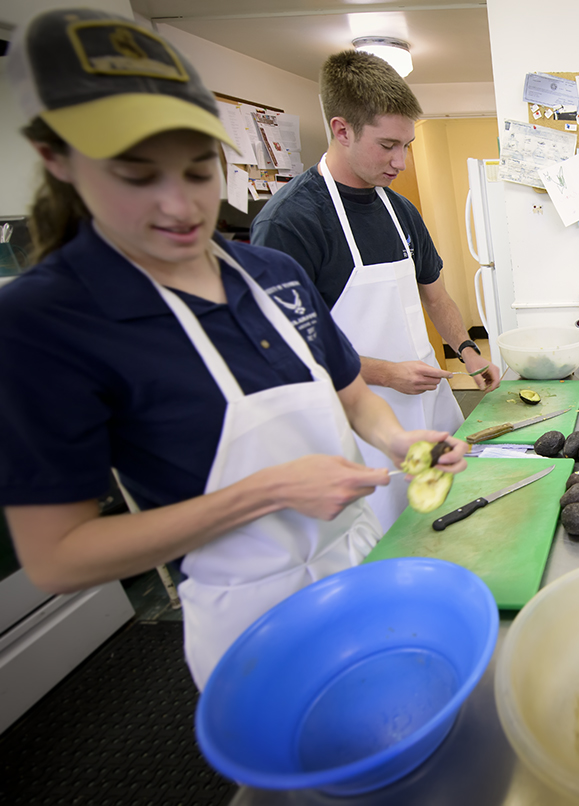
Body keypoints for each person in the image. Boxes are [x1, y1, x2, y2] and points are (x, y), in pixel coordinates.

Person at [0, 8, 467, 690]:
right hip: (249, 621)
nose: (181, 207)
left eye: (198, 171)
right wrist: (269, 491)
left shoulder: (268, 275)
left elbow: (352, 392)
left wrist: (399, 443)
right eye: (137, 176)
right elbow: (58, 558)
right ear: (56, 158)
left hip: (354, 572)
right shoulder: (45, 321)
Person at [251, 49, 499, 529]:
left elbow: (435, 295)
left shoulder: (400, 210)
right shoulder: (290, 223)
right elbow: (280, 350)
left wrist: (468, 351)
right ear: (342, 129)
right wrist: (386, 374)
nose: (400, 161)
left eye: (406, 145)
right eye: (388, 145)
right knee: (385, 540)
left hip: (427, 406)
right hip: (355, 425)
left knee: (455, 522)